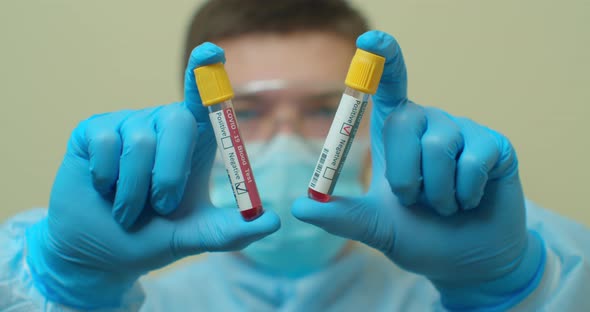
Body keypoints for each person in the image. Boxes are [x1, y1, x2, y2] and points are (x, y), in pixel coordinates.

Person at [1, 1, 589, 311]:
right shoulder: (140, 304)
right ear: (198, 124)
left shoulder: (445, 295)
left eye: (326, 111)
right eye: (247, 113)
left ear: (372, 128)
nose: (288, 142)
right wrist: (69, 291)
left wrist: (515, 292)